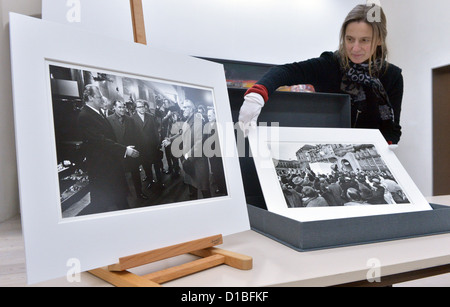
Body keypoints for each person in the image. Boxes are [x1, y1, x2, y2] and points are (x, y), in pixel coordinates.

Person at [238, 4, 403, 145]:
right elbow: (285, 71)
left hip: (369, 160)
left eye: (364, 40)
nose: (355, 48)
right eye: (350, 39)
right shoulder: (329, 64)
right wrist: (258, 94)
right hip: (325, 150)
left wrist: (384, 150)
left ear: (380, 40)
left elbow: (392, 130)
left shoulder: (392, 76)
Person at [77, 84, 139, 214]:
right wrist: (124, 150)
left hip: (109, 164)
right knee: (106, 203)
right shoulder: (85, 116)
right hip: (103, 167)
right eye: (99, 97)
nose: (102, 99)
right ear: (90, 98)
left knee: (118, 199)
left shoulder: (95, 113)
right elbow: (101, 141)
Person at [107, 99, 148, 200]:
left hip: (132, 152)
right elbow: (109, 139)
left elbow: (137, 136)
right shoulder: (108, 120)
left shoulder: (130, 119)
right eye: (119, 107)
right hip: (119, 153)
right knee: (121, 176)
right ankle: (124, 196)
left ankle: (139, 193)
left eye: (123, 107)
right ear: (114, 108)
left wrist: (137, 151)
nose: (122, 109)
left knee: (135, 175)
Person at [179, 99, 211, 199]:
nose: (182, 109)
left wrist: (188, 155)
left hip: (198, 161)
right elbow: (181, 135)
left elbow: (200, 141)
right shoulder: (187, 121)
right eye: (182, 107)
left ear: (191, 109)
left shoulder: (197, 121)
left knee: (204, 190)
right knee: (192, 190)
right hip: (189, 161)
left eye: (185, 107)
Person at [132, 99, 164, 190]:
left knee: (157, 165)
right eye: (139, 107)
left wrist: (158, 143)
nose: (142, 108)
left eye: (143, 106)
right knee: (147, 166)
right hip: (142, 148)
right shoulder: (132, 119)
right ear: (136, 108)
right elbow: (133, 135)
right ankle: (151, 181)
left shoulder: (150, 116)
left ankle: (160, 182)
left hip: (153, 146)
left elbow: (155, 131)